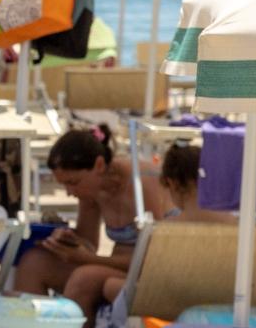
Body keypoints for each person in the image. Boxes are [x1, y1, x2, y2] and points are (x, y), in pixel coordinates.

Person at [62, 143, 228, 328]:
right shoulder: (236, 224)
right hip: (222, 297)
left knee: (110, 286)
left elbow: (154, 275)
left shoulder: (165, 229)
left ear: (171, 184)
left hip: (177, 300)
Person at [13, 124, 170, 299]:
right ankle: (28, 324)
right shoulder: (92, 190)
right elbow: (89, 243)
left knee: (84, 278)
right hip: (118, 268)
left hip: (154, 273)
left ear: (99, 165)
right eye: (64, 184)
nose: (69, 192)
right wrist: (69, 240)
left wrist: (85, 258)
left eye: (73, 182)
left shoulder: (143, 184)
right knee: (33, 263)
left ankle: (76, 327)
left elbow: (155, 259)